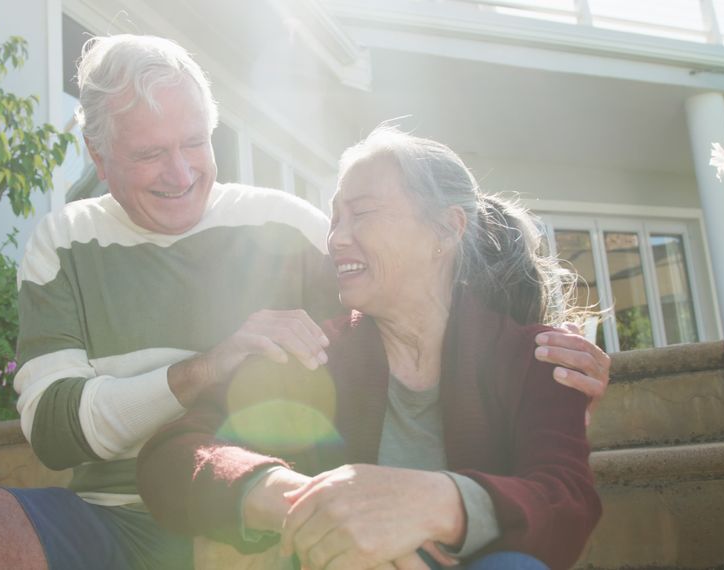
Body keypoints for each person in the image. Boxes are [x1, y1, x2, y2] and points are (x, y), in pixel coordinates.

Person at [0, 35, 609, 570]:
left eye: (197, 142)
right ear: (100, 158)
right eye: (149, 154)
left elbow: (414, 297)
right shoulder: (63, 244)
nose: (181, 172)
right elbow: (56, 431)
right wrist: (218, 381)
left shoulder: (293, 230)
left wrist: (565, 371)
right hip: (134, 520)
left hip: (280, 544)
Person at [137, 126, 602, 570]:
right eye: (335, 217)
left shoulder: (538, 360)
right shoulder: (312, 354)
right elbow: (171, 456)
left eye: (361, 212)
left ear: (445, 230)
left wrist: (439, 502)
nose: (336, 237)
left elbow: (566, 501)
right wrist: (310, 503)